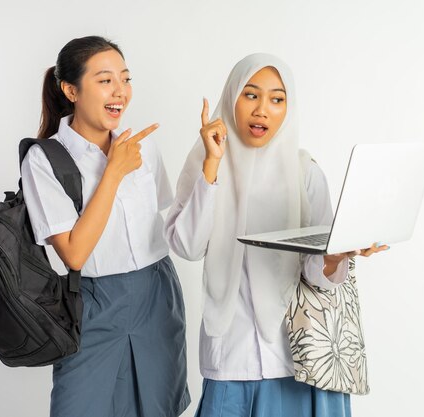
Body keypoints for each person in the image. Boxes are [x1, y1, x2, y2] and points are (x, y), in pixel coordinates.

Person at [164, 53, 387, 417]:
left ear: (289, 108)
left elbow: (317, 274)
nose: (262, 110)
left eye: (277, 99)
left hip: (298, 359)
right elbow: (187, 246)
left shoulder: (305, 173)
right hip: (231, 357)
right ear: (231, 97)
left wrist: (338, 255)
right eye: (251, 95)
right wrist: (211, 166)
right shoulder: (206, 163)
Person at [21, 36, 190, 417]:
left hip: (157, 294)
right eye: (105, 80)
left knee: (158, 407)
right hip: (91, 304)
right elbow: (75, 253)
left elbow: (165, 224)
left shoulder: (143, 148)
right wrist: (112, 171)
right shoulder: (44, 159)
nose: (120, 92)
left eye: (125, 79)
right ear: (71, 89)